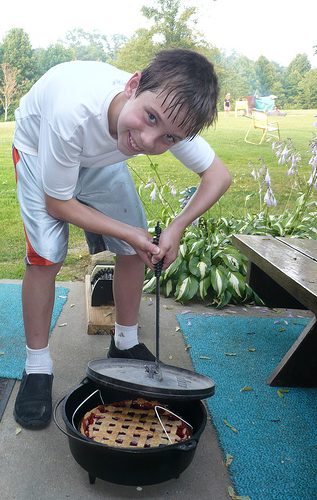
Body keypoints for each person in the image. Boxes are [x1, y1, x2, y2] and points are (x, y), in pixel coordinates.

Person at [12, 48, 232, 429]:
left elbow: (219, 176)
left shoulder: (170, 113)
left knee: (136, 246)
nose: (149, 140)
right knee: (46, 255)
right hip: (39, 148)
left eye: (168, 137)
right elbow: (58, 202)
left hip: (102, 155)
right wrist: (128, 230)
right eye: (150, 118)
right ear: (133, 85)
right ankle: (37, 367)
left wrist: (177, 226)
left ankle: (125, 341)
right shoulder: (73, 112)